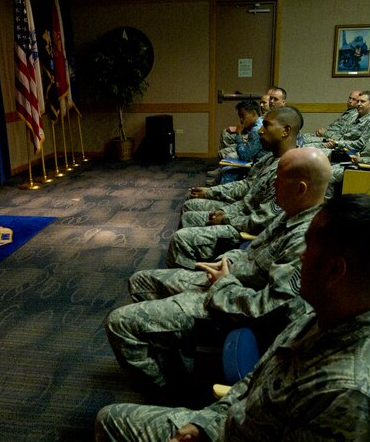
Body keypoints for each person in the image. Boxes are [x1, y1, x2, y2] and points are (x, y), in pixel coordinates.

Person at [97, 194, 370, 442]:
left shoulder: (350, 398)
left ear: (334, 270)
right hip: (231, 426)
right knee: (110, 418)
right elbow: (256, 383)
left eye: (308, 248)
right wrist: (205, 424)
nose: (301, 256)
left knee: (111, 423)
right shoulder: (323, 316)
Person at [105, 147, 330, 400]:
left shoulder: (307, 238)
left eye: (279, 179)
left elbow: (272, 309)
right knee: (142, 282)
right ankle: (175, 373)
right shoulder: (291, 215)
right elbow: (252, 252)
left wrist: (225, 284)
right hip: (228, 284)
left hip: (232, 310)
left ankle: (169, 399)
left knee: (120, 323)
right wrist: (227, 261)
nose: (273, 184)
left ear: (300, 188)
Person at [168, 107, 302, 269]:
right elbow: (247, 188)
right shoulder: (270, 158)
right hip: (240, 214)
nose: (260, 131)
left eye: (266, 126)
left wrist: (226, 218)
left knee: (180, 238)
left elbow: (261, 221)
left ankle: (193, 277)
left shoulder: (288, 172)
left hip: (248, 231)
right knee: (190, 210)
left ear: (285, 131)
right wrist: (215, 197)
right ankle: (191, 269)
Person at [212, 100, 265, 184]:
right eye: (239, 117)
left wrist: (238, 134)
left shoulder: (256, 130)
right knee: (224, 170)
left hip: (258, 167)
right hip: (259, 161)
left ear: (253, 113)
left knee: (227, 172)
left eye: (243, 116)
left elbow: (244, 156)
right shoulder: (261, 122)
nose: (241, 120)